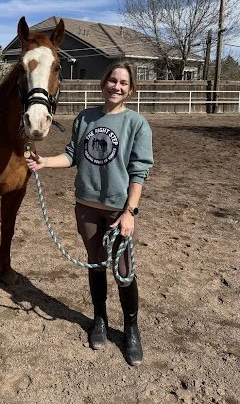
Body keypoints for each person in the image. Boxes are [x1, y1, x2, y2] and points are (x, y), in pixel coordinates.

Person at [26, 61, 153, 366]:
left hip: (117, 211)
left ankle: (131, 330)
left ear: (131, 89)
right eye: (112, 80)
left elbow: (139, 172)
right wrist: (44, 162)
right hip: (86, 208)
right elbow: (72, 155)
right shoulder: (85, 118)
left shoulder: (137, 124)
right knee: (96, 265)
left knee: (123, 272)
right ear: (103, 83)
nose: (117, 87)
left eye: (123, 83)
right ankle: (99, 319)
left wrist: (130, 212)